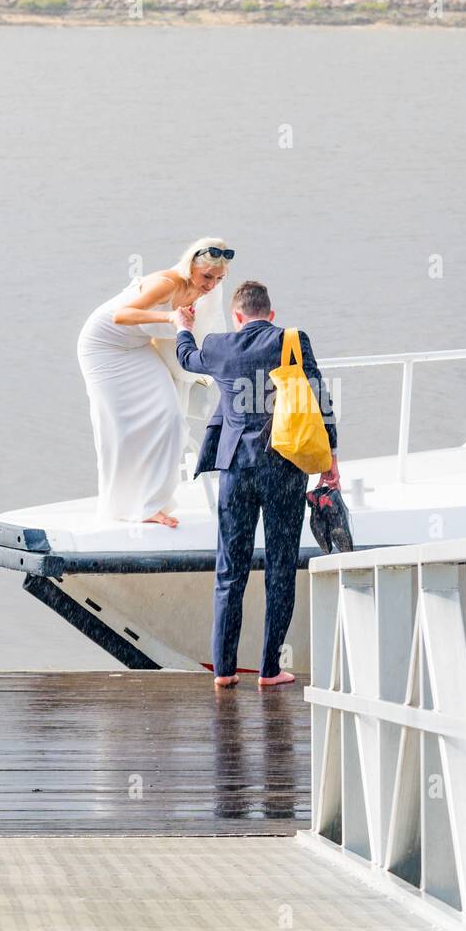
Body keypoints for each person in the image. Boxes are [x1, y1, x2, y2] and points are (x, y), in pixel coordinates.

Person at [176, 279, 339, 689]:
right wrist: (330, 462)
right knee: (280, 569)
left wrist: (182, 324)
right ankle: (269, 670)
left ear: (237, 316)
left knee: (230, 571)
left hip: (236, 470)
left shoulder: (218, 346)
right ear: (271, 314)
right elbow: (320, 399)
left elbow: (187, 358)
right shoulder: (292, 341)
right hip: (284, 468)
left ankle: (224, 671)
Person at [77, 239, 232, 527]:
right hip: (104, 347)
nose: (211, 285)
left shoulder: (205, 291)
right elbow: (121, 315)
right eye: (206, 277)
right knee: (119, 426)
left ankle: (152, 502)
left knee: (170, 417)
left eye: (219, 278)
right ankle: (122, 502)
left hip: (137, 347)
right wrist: (171, 316)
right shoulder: (166, 283)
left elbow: (213, 325)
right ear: (190, 267)